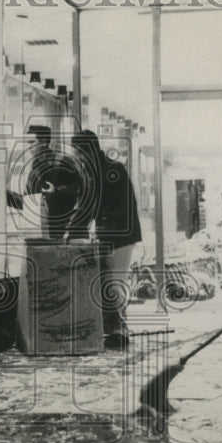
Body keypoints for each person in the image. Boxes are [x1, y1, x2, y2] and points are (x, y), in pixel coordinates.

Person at [69, 130, 143, 349]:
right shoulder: (97, 171)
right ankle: (115, 329)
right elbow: (88, 206)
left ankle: (121, 331)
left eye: (79, 153)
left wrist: (80, 229)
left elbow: (98, 207)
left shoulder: (112, 170)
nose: (78, 158)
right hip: (108, 236)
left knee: (114, 283)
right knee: (107, 284)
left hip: (120, 237)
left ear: (88, 150)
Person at [24, 125, 82, 240]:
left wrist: (56, 192)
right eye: (27, 143)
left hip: (63, 230)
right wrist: (6, 195)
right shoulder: (34, 167)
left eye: (32, 142)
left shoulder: (63, 162)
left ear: (44, 142)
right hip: (41, 230)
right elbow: (28, 196)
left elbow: (79, 190)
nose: (28, 147)